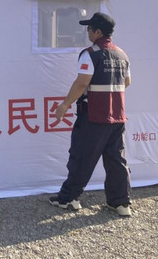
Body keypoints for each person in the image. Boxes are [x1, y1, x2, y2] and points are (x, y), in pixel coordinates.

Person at [49, 12, 132, 217]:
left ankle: (69, 198)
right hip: (117, 116)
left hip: (94, 116)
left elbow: (82, 83)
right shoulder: (121, 54)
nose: (88, 32)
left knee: (82, 156)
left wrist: (65, 105)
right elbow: (127, 82)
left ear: (98, 32)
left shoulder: (90, 54)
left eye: (89, 29)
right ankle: (121, 203)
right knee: (116, 160)